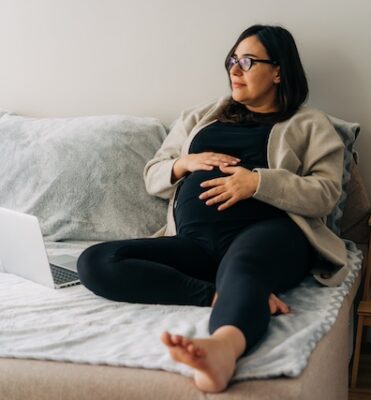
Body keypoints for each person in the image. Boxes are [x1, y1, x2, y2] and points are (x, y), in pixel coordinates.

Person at [77, 24, 347, 393]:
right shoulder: (200, 117)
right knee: (96, 261)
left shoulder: (309, 123)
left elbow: (326, 193)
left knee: (243, 266)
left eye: (248, 61)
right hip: (196, 243)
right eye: (232, 60)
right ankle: (219, 294)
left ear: (279, 70)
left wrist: (257, 182)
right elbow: (153, 175)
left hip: (269, 234)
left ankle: (222, 349)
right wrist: (184, 164)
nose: (234, 70)